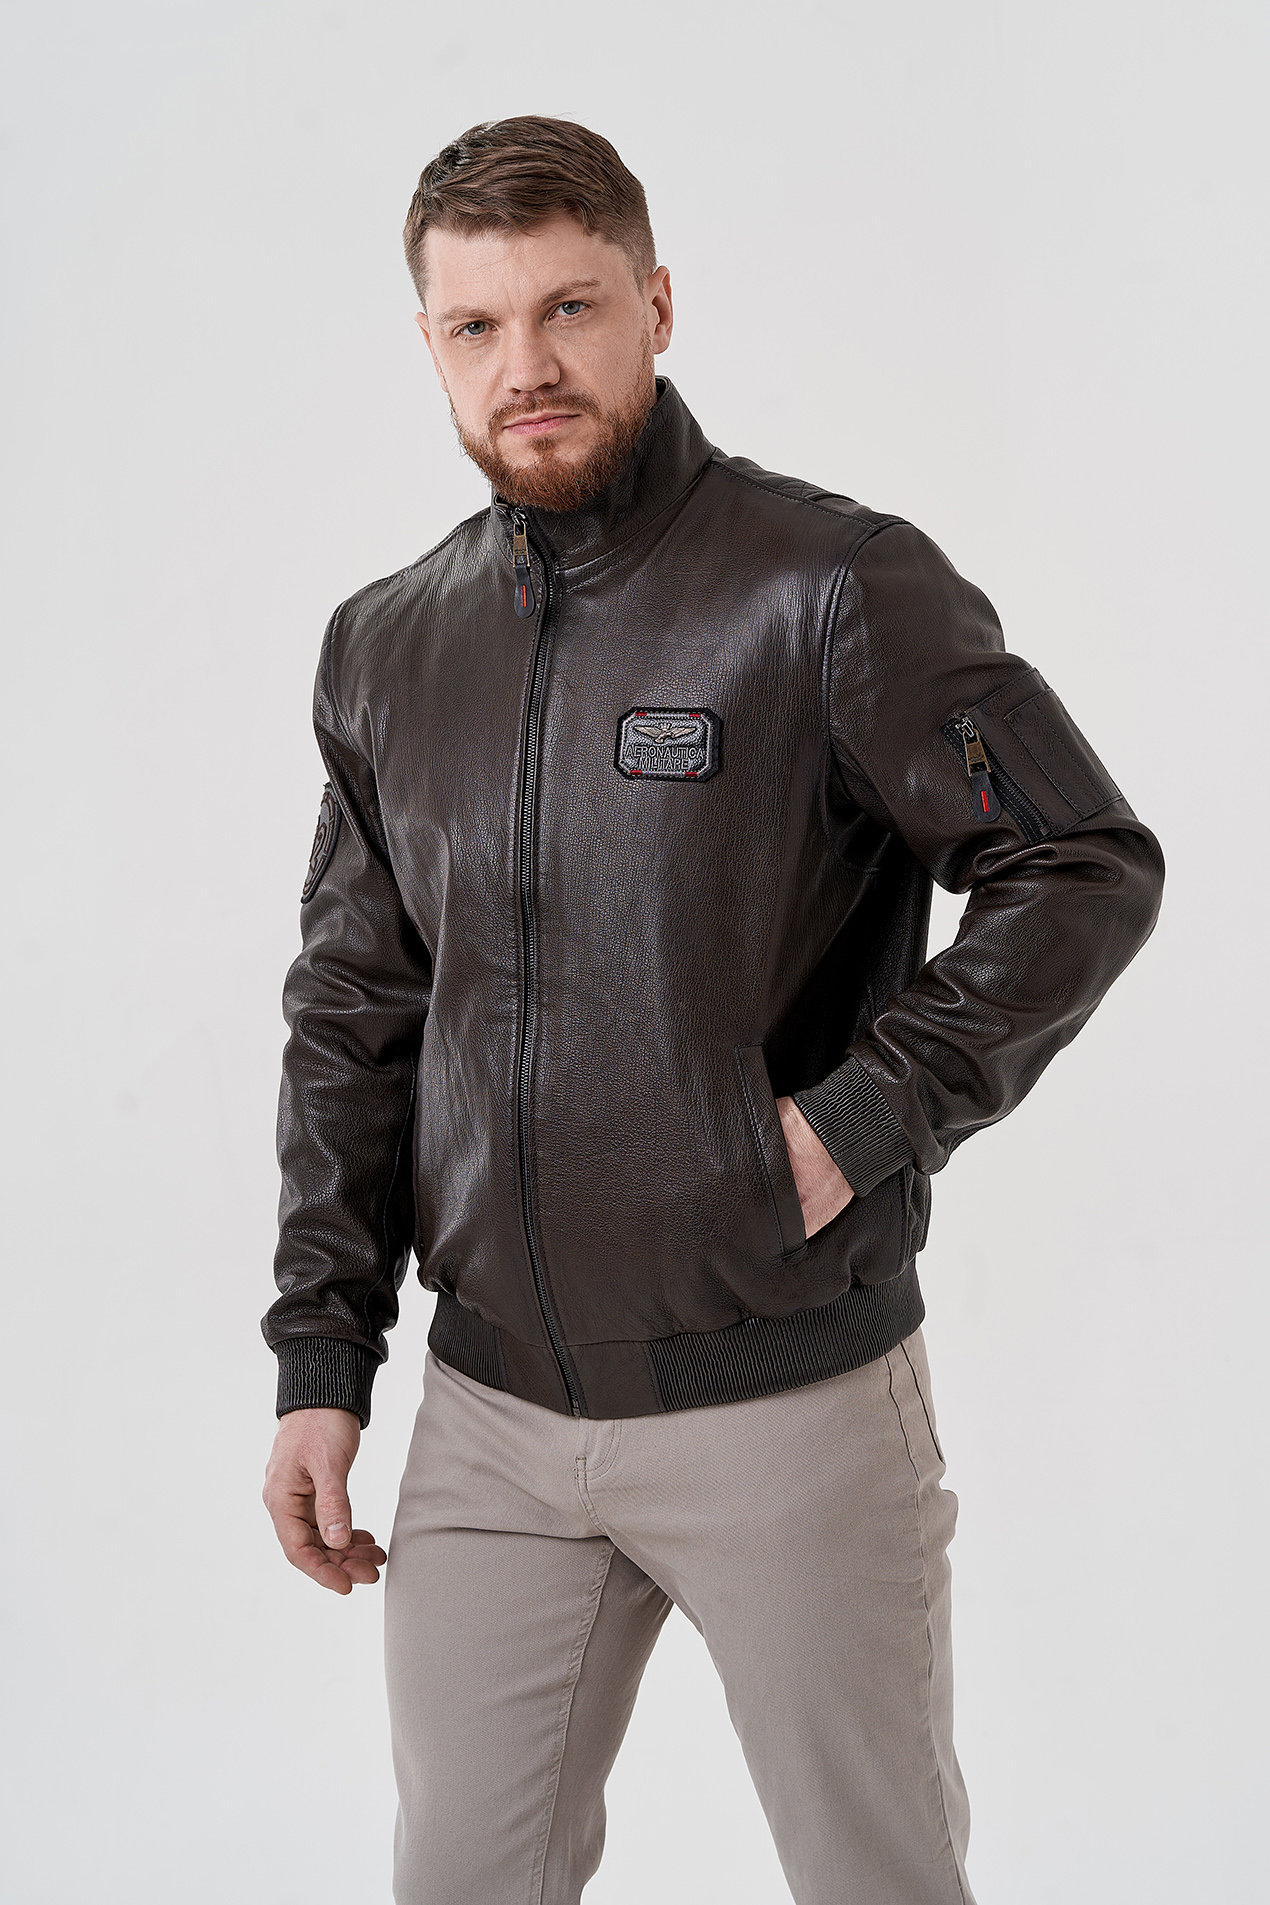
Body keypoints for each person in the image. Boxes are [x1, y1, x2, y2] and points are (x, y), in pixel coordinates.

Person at [260, 115, 1164, 1905]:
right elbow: (356, 1007)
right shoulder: (387, 643)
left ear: (655, 306)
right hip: (493, 1422)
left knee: (877, 1880)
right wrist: (320, 1358)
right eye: (476, 325)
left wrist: (863, 1116)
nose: (525, 365)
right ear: (429, 343)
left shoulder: (830, 588)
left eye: (570, 307)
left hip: (788, 1401)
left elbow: (1079, 858)